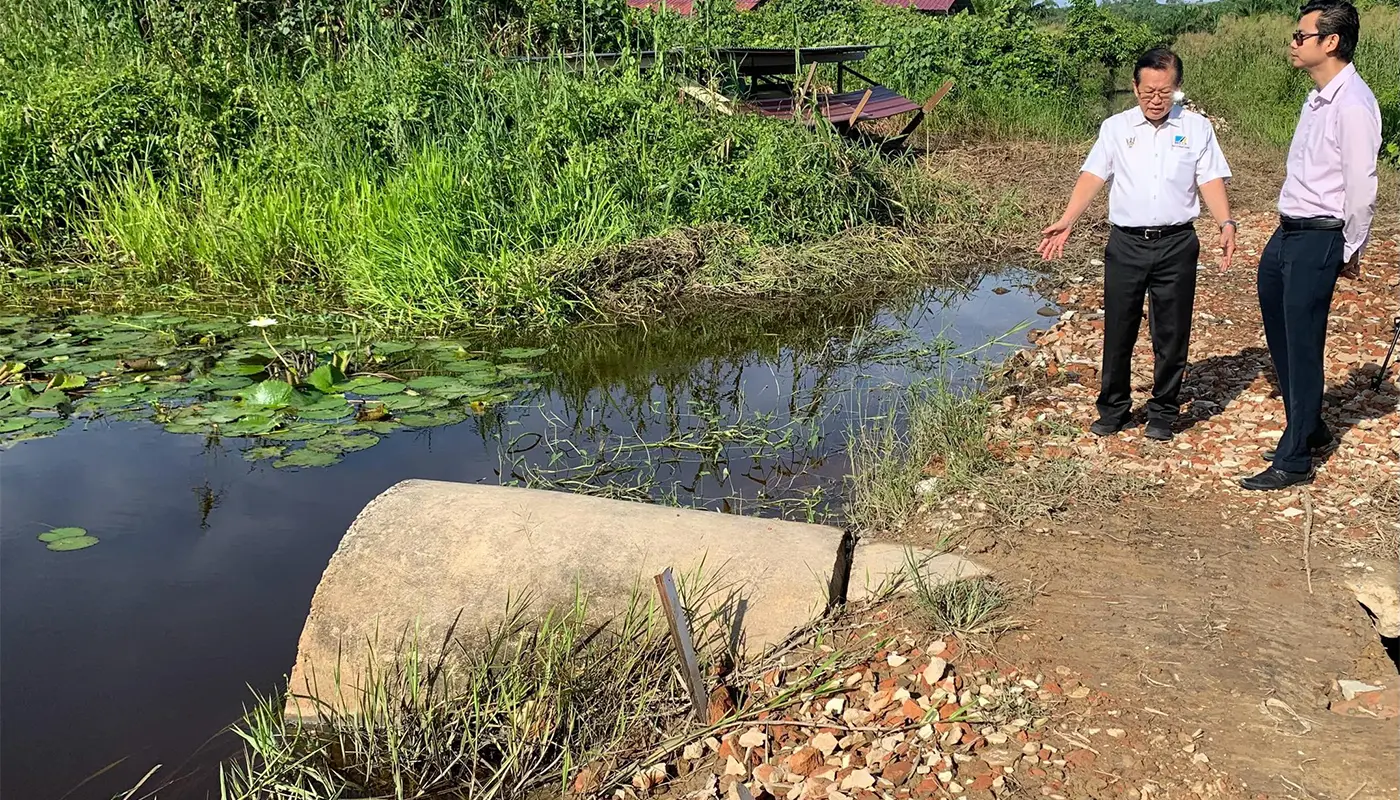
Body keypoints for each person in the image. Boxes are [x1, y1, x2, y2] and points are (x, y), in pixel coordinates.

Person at [1039, 48, 1235, 442]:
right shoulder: (1116, 128)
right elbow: (1093, 175)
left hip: (1177, 243)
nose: (1156, 100)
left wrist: (1225, 221)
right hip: (1126, 244)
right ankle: (1113, 409)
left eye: (1164, 92)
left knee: (1172, 332)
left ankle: (1163, 411)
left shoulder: (1197, 128)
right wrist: (1067, 221)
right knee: (1119, 328)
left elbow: (1209, 178)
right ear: (1135, 87)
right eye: (1147, 92)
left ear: (1177, 88)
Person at [1241, 0, 1381, 491]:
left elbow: (1362, 186)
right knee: (1278, 328)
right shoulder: (1317, 97)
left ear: (1331, 42)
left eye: (1301, 36)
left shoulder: (1353, 103)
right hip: (1289, 230)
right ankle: (1312, 425)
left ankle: (1295, 457)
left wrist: (1349, 248)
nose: (1293, 43)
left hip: (1320, 234)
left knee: (1303, 342)